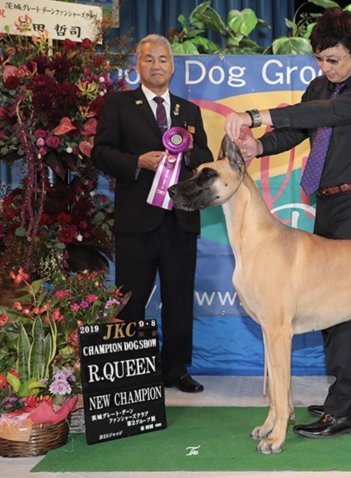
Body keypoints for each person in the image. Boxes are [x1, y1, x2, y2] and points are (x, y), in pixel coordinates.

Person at [224, 7, 351, 438]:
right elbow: (297, 131)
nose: (325, 68)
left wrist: (259, 116)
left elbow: (326, 116)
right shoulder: (321, 86)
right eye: (319, 59)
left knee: (339, 307)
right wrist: (255, 148)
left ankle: (346, 405)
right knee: (329, 304)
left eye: (333, 59)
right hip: (329, 203)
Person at [93, 34, 213, 393]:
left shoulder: (188, 111)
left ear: (173, 66)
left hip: (180, 219)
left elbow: (205, 153)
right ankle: (131, 371)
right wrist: (137, 162)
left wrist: (188, 155)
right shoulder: (118, 104)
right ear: (137, 66)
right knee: (130, 299)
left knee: (179, 299)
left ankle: (175, 369)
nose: (156, 65)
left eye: (162, 59)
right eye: (148, 59)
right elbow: (100, 152)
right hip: (136, 220)